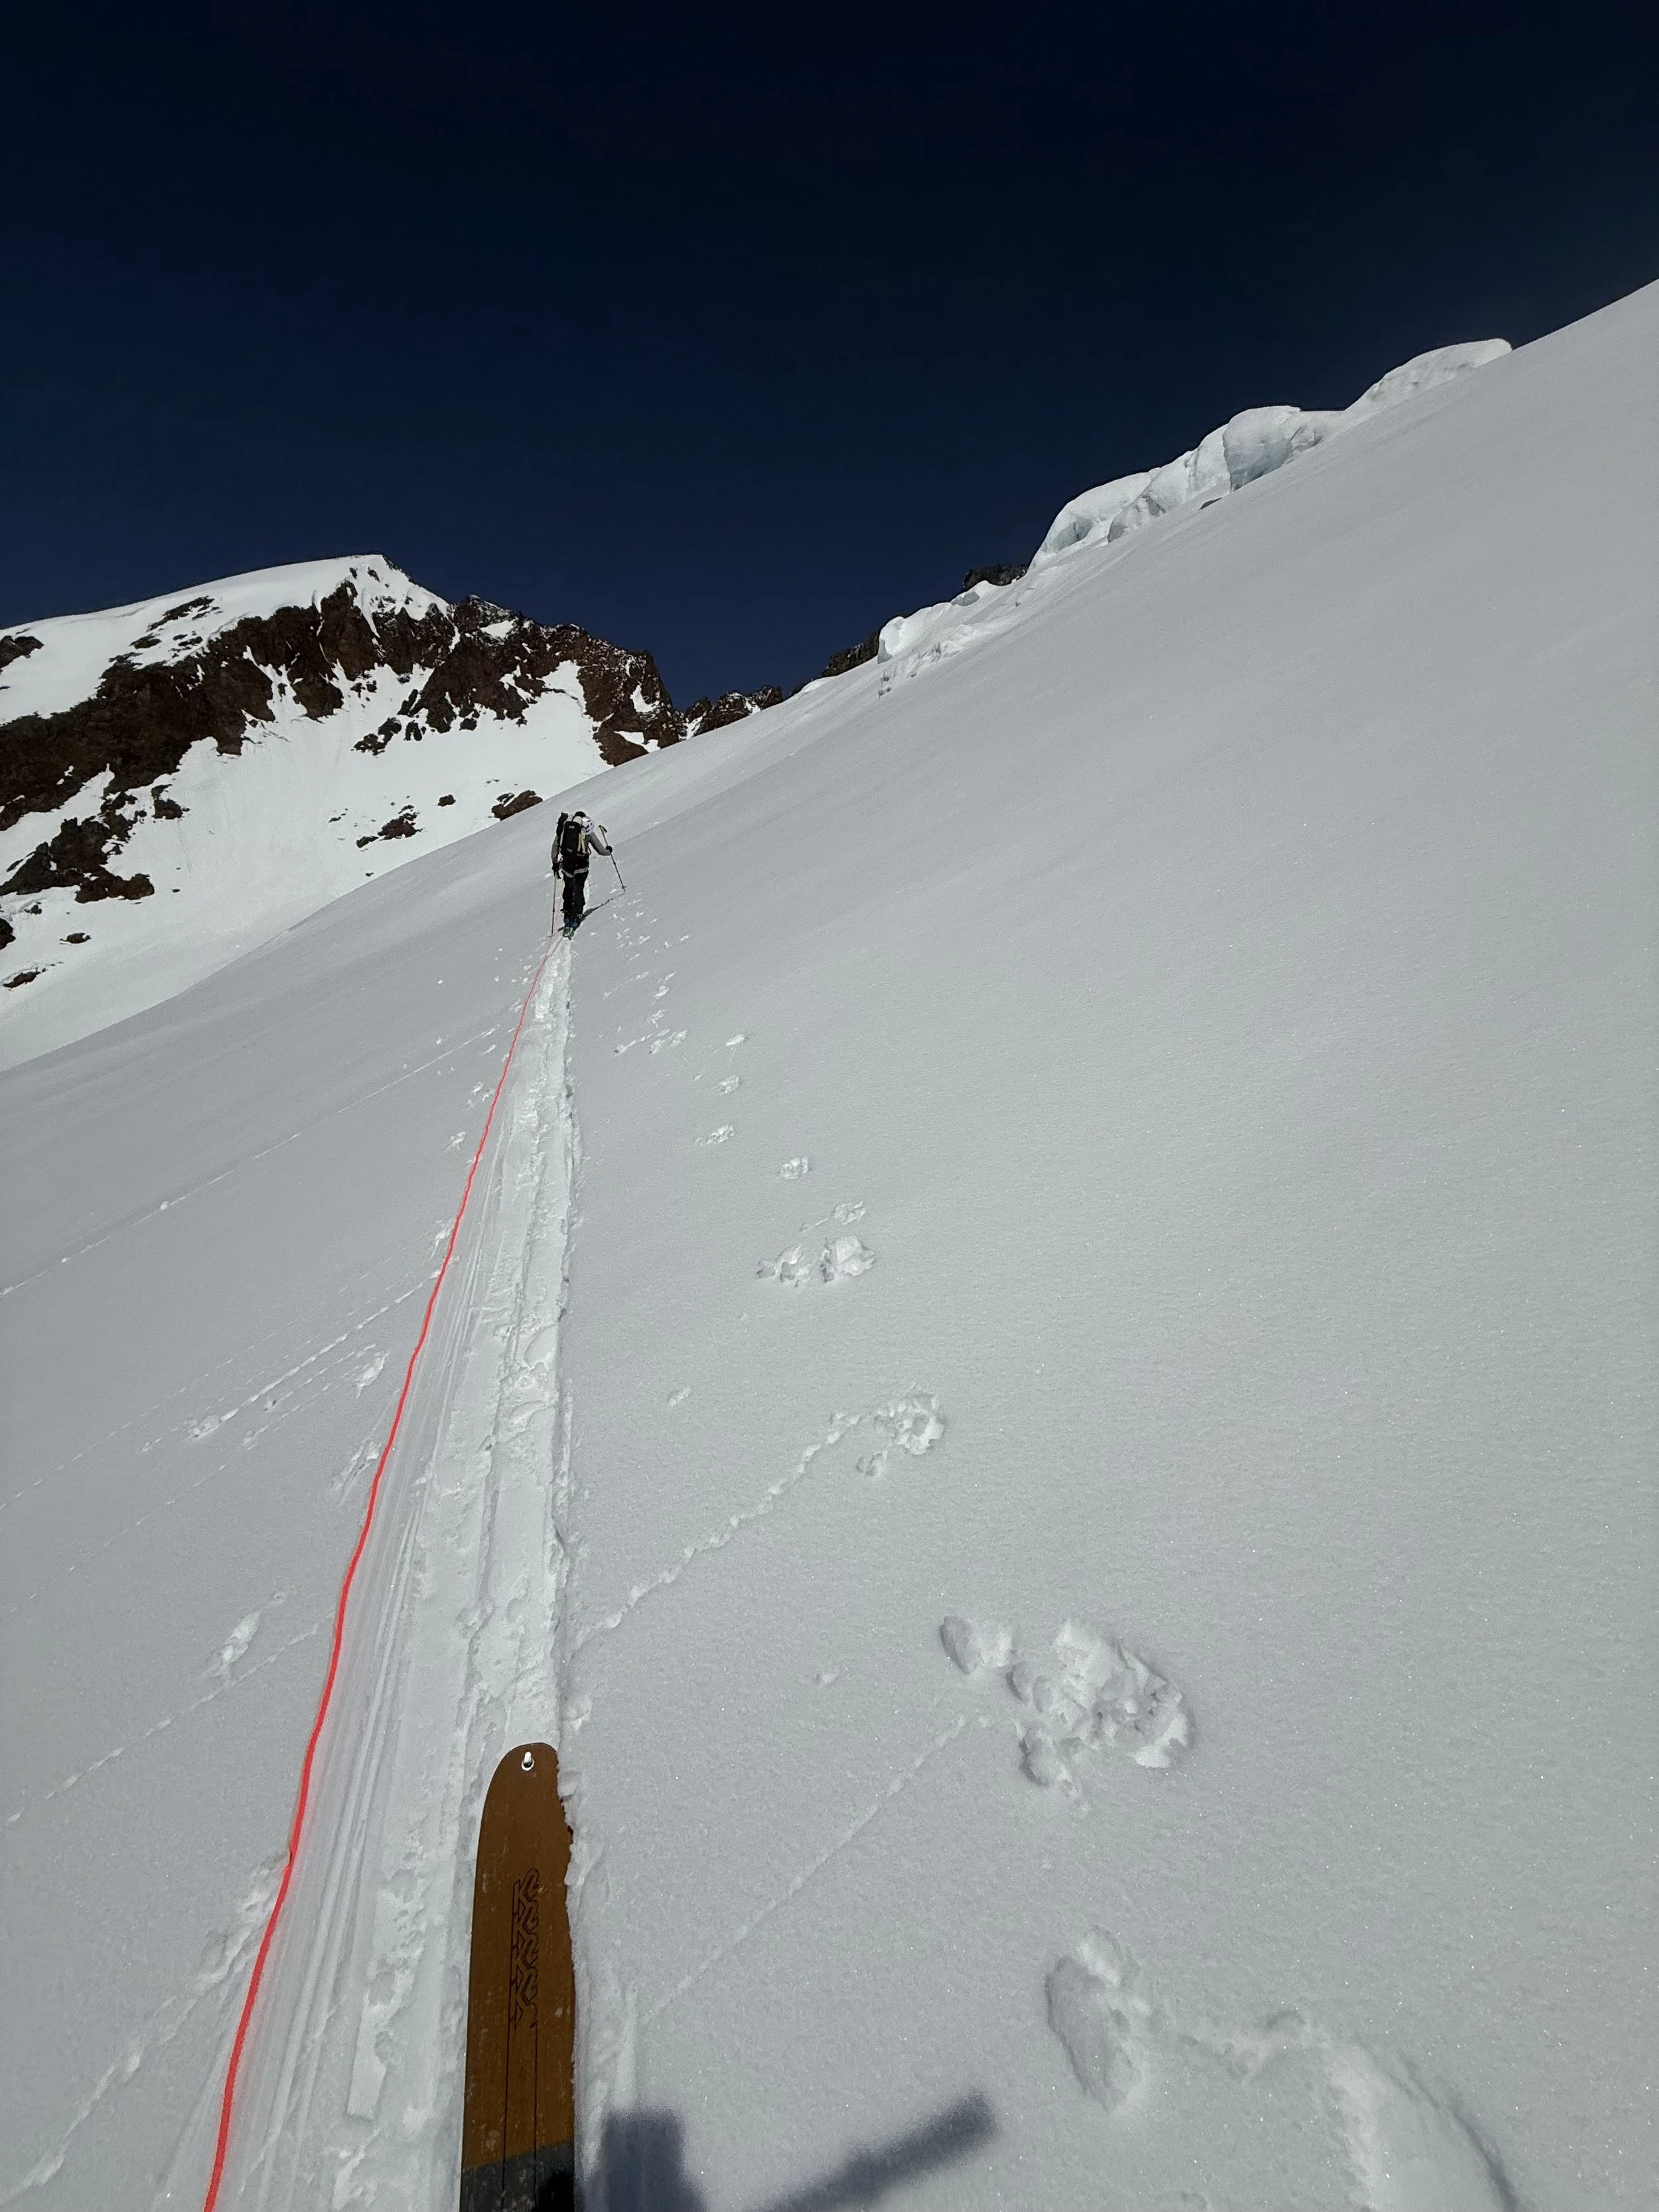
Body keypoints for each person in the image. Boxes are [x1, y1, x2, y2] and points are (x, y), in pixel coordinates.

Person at [551, 808, 613, 934]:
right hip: (581, 867)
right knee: (578, 889)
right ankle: (577, 915)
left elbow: (555, 847)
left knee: (569, 888)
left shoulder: (563, 829)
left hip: (567, 866)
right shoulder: (586, 830)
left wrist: (555, 863)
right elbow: (600, 850)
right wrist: (609, 851)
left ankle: (567, 915)